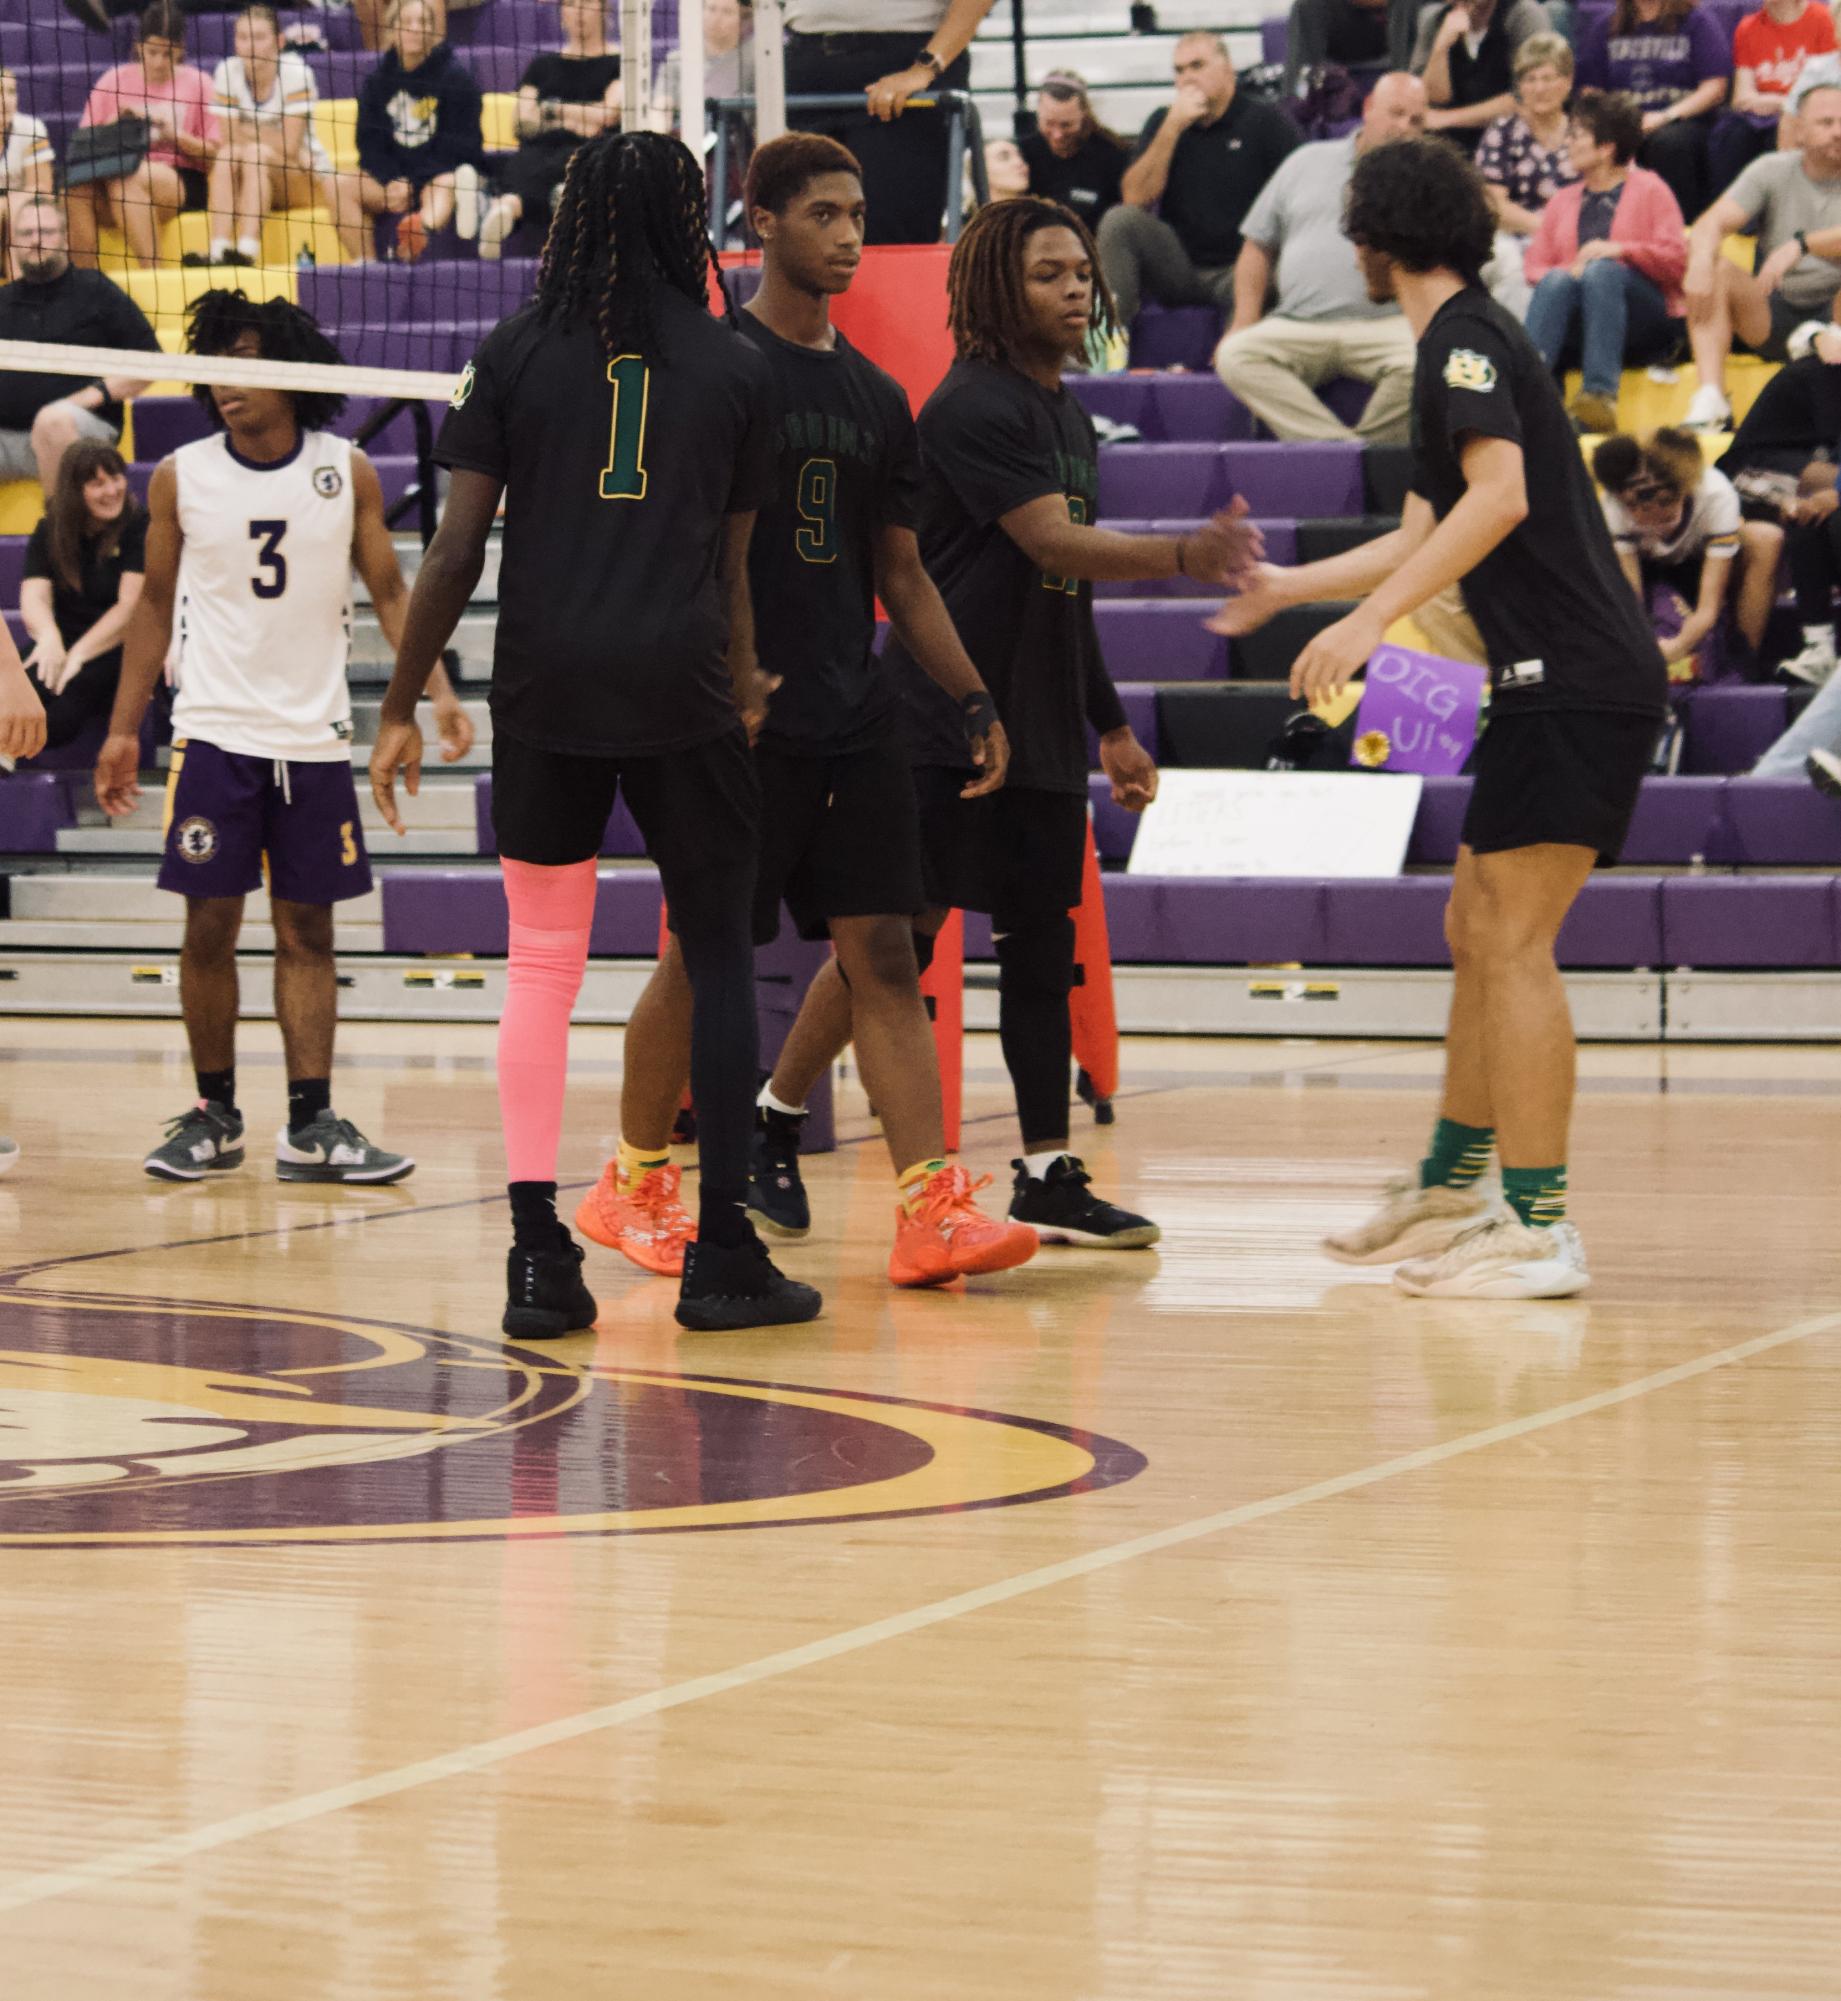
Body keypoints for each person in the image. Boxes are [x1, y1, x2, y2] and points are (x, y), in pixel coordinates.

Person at [370, 130, 821, 1339]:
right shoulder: (738, 369)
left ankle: (535, 1257)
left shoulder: (514, 350)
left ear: (572, 219)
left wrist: (403, 703)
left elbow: (455, 551)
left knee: (540, 967)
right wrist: (740, 676)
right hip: (679, 686)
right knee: (719, 954)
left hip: (547, 690)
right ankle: (722, 1251)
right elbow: (732, 564)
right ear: (689, 220)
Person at [576, 132, 1038, 1291]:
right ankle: (632, 1179)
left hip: (855, 709)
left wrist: (969, 695)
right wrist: (708, 679)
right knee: (699, 955)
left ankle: (928, 1210)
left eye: (856, 215)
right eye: (822, 215)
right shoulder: (711, 371)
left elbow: (903, 572)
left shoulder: (879, 394)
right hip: (735, 720)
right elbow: (680, 549)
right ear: (762, 222)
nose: (845, 235)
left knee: (886, 948)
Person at [1212, 135, 1668, 1298]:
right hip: (1540, 680)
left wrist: (1368, 627)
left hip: (1572, 677)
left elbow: (1500, 500)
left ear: (1377, 241)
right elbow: (1426, 534)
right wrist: (1290, 592)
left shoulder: (1462, 340)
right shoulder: (1449, 349)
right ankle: (1451, 1181)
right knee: (1476, 926)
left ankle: (1540, 1225)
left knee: (1511, 942)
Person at [777, 195, 1259, 1250]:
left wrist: (1111, 725)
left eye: (1081, 270)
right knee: (887, 947)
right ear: (1000, 288)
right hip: (936, 719)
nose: (1076, 287)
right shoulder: (970, 406)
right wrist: (1181, 556)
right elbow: (1051, 545)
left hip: (1035, 724)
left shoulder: (1064, 414)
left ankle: (1044, 1172)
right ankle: (775, 1117)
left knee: (1043, 952)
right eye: (1049, 274)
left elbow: (1061, 597)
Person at [93, 291, 473, 1187]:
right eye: (215, 366)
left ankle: (312, 1123)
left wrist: (436, 695)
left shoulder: (347, 470)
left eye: (246, 363)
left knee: (309, 931)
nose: (227, 383)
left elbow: (389, 593)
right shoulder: (181, 474)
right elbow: (151, 604)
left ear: (291, 370)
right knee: (208, 929)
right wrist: (119, 730)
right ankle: (213, 1112)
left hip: (312, 741)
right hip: (215, 735)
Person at [1213, 73, 1428, 446]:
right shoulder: (1304, 161)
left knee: (1432, 361)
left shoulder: (1429, 179)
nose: (1404, 128)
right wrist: (1243, 319)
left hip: (1385, 326)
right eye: (1396, 114)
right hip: (1298, 323)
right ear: (1368, 109)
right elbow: (1257, 245)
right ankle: (1340, 451)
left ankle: (1357, 454)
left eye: (1416, 121)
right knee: (1236, 354)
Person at [1097, 33, 1300, 332]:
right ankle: (1104, 343)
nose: (1187, 78)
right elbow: (1135, 198)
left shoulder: (1266, 122)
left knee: (1277, 267)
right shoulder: (1163, 121)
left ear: (1227, 69)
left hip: (1243, 267)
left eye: (1197, 66)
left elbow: (1296, 198)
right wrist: (1172, 127)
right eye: (1179, 71)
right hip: (1180, 265)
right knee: (1119, 221)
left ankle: (1236, 361)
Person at [1523, 89, 1687, 436]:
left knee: (1603, 271)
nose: (1568, 143)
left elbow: (1677, 260)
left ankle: (1599, 395)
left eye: (1578, 135)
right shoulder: (1562, 201)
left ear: (1607, 146)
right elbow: (1533, 267)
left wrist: (1621, 250)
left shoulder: (1651, 189)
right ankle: (1530, 395)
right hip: (1582, 317)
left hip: (1644, 321)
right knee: (1556, 281)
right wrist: (1569, 272)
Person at [1681, 80, 1841, 428]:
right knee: (1716, 268)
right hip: (1775, 311)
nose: (1838, 132)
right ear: (1798, 129)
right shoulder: (1772, 169)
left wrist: (1803, 244)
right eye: (1827, 123)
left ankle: (1822, 340)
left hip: (1837, 312)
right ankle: (1712, 399)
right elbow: (1712, 222)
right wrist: (1698, 262)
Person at [781, 1, 999, 246]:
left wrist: (925, 67)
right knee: (800, 241)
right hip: (804, 62)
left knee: (887, 234)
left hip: (907, 62)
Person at [0, 199, 161, 495]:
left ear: (65, 237)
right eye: (26, 234)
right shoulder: (4, 301)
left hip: (81, 431)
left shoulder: (95, 289)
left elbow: (149, 361)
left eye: (46, 231)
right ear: (13, 242)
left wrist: (89, 396)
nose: (36, 240)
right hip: (9, 439)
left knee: (53, 420)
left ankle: (58, 536)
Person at [1593, 425, 1782, 676]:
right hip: (1647, 571)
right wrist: (1645, 649)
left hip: (1699, 567)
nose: (1645, 519)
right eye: (1634, 508)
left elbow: (1708, 607)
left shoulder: (1716, 494)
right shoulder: (1613, 504)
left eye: (1664, 509)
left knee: (1766, 538)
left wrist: (1679, 646)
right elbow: (1631, 597)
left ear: (1684, 492)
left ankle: (1742, 666)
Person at [1719, 335, 1841, 681]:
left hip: (1803, 464)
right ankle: (1817, 646)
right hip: (1754, 470)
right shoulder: (1825, 370)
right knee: (1809, 521)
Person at [206, 3, 365, 268]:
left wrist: (245, 130)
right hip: (254, 176)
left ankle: (246, 250)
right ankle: (218, 250)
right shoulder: (226, 71)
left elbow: (290, 147)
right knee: (227, 155)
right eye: (243, 38)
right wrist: (267, 135)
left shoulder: (296, 73)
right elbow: (229, 141)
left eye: (259, 37)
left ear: (279, 41)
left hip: (306, 178)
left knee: (253, 153)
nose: (250, 46)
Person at [66, 1, 222, 271]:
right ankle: (84, 280)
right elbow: (83, 144)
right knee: (75, 188)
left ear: (181, 50)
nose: (159, 62)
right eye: (152, 52)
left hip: (179, 178)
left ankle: (153, 273)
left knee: (127, 176)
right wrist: (117, 124)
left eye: (168, 54)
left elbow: (217, 152)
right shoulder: (112, 80)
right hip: (116, 176)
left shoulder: (200, 83)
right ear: (138, 46)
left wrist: (175, 136)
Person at [18, 441, 146, 751]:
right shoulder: (51, 528)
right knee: (18, 689)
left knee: (63, 712)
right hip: (61, 640)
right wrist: (49, 638)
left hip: (115, 647)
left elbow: (129, 607)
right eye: (97, 483)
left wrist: (78, 655)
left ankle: (8, 753)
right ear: (76, 490)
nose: (112, 490)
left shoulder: (138, 524)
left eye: (116, 478)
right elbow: (34, 594)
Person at [478, 0, 620, 262]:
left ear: (603, 10)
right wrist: (580, 115)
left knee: (577, 165)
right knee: (525, 163)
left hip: (590, 151)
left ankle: (506, 206)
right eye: (571, 4)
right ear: (561, 13)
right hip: (539, 150)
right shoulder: (542, 66)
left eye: (586, 4)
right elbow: (521, 122)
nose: (578, 12)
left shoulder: (619, 63)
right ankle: (509, 208)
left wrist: (550, 110)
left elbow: (608, 115)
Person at [1574, 0, 1734, 225]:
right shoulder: (1606, 26)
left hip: (1681, 120)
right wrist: (1616, 123)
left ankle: (1678, 230)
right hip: (1623, 122)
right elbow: (1592, 92)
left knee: (1668, 144)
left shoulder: (1696, 22)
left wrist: (1667, 115)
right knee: (1601, 144)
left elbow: (1714, 87)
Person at [356, 0, 482, 262]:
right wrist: (392, 179)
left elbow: (463, 147)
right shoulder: (377, 81)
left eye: (423, 22)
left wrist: (413, 182)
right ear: (392, 29)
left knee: (447, 184)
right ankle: (366, 268)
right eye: (407, 22)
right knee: (339, 185)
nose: (415, 29)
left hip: (434, 176)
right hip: (392, 182)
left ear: (433, 31)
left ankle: (415, 234)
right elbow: (368, 144)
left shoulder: (456, 78)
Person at [1476, 32, 1576, 317]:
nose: (1539, 88)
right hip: (1515, 235)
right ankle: (1521, 354)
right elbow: (1493, 206)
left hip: (1575, 234)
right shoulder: (1503, 132)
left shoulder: (1585, 132)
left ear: (1567, 82)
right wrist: (1543, 228)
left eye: (1548, 78)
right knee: (1510, 263)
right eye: (1529, 80)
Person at [1713, 0, 1836, 187]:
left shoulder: (1823, 19)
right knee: (1731, 136)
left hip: (1803, 113)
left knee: (1783, 132)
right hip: (1758, 116)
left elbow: (1829, 85)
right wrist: (1778, 101)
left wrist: (1780, 102)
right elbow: (1741, 98)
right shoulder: (1747, 27)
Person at [1413, 0, 1556, 155]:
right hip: (1451, 147)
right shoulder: (1436, 21)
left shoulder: (1523, 15)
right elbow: (1434, 98)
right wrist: (1441, 47)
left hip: (1513, 143)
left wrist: (1447, 118)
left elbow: (1529, 97)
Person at [1020, 72, 1129, 232]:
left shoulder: (1112, 155)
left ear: (1084, 115)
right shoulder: (1023, 153)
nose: (1057, 135)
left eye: (1066, 125)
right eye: (1049, 123)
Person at [0, 69, 56, 283]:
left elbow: (42, 190)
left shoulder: (31, 128)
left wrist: (6, 206)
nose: (5, 100)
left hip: (22, 219)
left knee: (17, 207)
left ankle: (20, 290)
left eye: (11, 91)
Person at [1284, 0, 1399, 96]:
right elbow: (1301, 75)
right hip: (1335, 88)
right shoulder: (1311, 7)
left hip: (1395, 82)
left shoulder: (1407, 7)